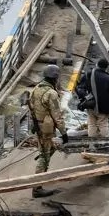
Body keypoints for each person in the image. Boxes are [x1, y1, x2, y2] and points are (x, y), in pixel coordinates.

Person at [28, 65, 69, 198]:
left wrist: (34, 123)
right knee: (44, 155)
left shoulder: (36, 89)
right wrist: (64, 132)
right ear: (55, 78)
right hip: (46, 128)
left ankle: (42, 177)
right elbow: (57, 115)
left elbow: (31, 107)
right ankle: (37, 187)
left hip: (38, 125)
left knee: (48, 150)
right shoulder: (51, 94)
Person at [77, 58, 109, 140]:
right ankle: (105, 142)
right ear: (106, 68)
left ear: (97, 65)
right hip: (104, 107)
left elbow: (80, 89)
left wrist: (86, 98)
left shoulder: (89, 74)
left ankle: (92, 142)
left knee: (91, 123)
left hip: (90, 104)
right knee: (103, 124)